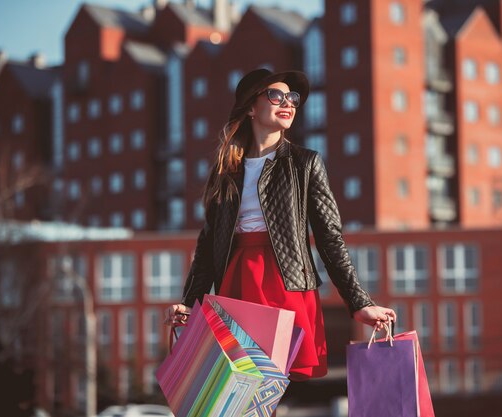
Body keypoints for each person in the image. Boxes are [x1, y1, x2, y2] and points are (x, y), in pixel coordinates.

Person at [165, 68, 396, 382]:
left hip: (285, 283)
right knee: (242, 387)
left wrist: (359, 302)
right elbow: (208, 245)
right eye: (275, 95)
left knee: (267, 383)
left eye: (292, 97)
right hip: (237, 282)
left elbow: (330, 238)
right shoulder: (226, 170)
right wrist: (189, 302)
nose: (287, 102)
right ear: (251, 107)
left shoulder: (305, 163)